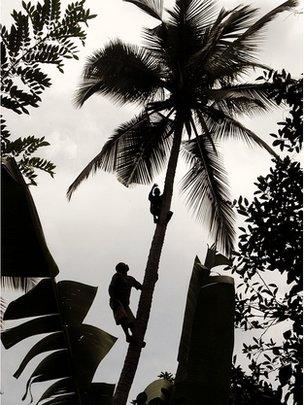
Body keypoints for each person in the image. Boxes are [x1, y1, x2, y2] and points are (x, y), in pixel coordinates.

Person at [109, 262, 144, 345]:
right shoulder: (117, 276)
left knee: (132, 322)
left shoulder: (130, 279)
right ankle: (127, 336)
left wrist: (152, 281)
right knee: (123, 318)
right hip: (116, 301)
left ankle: (136, 339)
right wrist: (114, 299)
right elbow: (111, 288)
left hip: (125, 304)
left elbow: (141, 287)